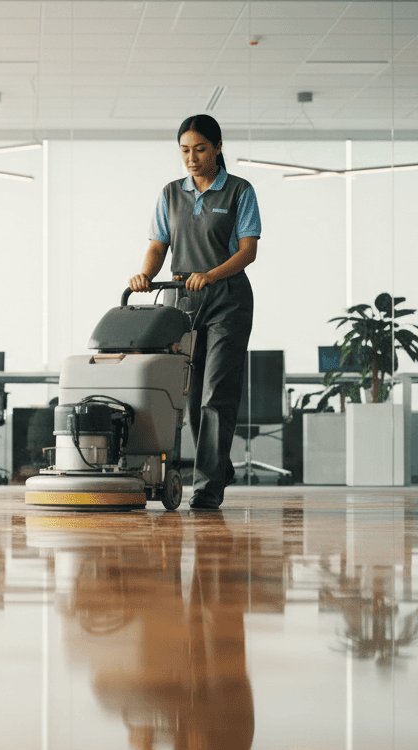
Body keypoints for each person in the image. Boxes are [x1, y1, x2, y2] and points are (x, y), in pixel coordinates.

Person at [129, 114, 261, 511]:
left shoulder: (239, 190)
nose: (192, 157)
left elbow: (248, 250)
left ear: (218, 148)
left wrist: (210, 274)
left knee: (215, 395)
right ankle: (217, 464)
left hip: (227, 299)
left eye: (200, 149)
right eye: (185, 150)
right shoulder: (171, 193)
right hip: (181, 302)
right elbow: (158, 245)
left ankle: (207, 488)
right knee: (187, 396)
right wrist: (145, 274)